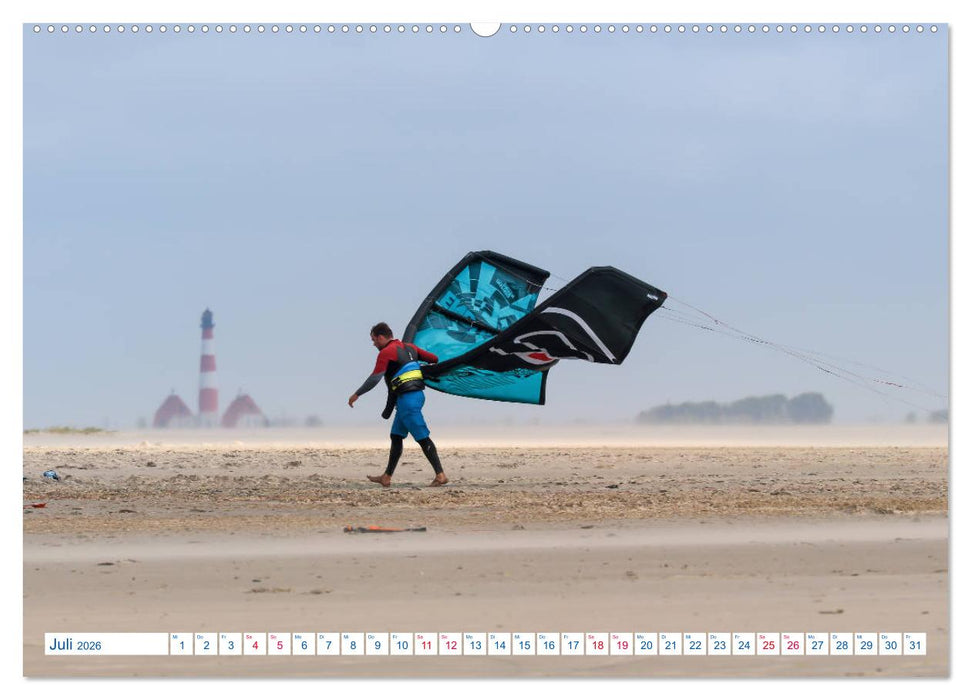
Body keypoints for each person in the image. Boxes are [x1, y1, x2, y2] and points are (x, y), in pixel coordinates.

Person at [348, 322, 449, 487]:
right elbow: (434, 359)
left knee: (422, 437)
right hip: (415, 396)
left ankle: (440, 474)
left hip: (407, 400)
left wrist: (356, 394)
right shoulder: (410, 347)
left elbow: (375, 378)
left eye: (373, 340)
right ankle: (386, 477)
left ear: (381, 337)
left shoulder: (386, 352)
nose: (373, 344)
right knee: (396, 436)